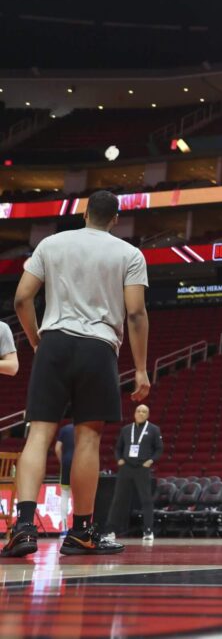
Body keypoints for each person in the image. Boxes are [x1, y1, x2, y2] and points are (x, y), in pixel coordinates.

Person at [2, 190, 149, 559]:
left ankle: (22, 528)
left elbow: (21, 299)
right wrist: (142, 369)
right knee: (87, 438)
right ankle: (82, 532)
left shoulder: (52, 244)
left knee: (38, 435)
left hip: (53, 343)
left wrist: (37, 341)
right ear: (115, 219)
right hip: (98, 347)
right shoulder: (129, 254)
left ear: (85, 213)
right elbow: (135, 314)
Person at [105, 405, 163, 541]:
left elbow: (159, 449)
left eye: (144, 412)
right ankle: (111, 531)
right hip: (126, 467)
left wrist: (151, 461)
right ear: (134, 413)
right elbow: (118, 448)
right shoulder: (126, 429)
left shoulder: (154, 429)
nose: (141, 413)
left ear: (148, 415)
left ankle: (148, 531)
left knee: (146, 499)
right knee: (118, 499)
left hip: (142, 467)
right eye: (138, 411)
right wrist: (119, 459)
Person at [54, 422, 75, 535]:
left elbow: (57, 448)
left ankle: (64, 528)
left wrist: (62, 462)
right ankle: (80, 527)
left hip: (66, 462)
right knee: (80, 497)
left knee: (65, 495)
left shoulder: (65, 429)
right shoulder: (84, 429)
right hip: (80, 464)